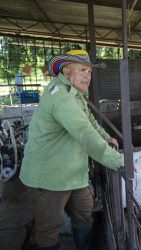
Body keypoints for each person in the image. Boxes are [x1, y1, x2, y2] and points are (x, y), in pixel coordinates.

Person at [19, 50, 124, 250]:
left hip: (72, 172)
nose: (88, 76)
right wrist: (118, 161)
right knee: (49, 227)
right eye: (82, 70)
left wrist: (106, 137)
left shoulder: (76, 95)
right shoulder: (61, 97)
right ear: (67, 72)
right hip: (49, 175)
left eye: (90, 72)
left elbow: (90, 121)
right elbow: (84, 133)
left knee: (84, 213)